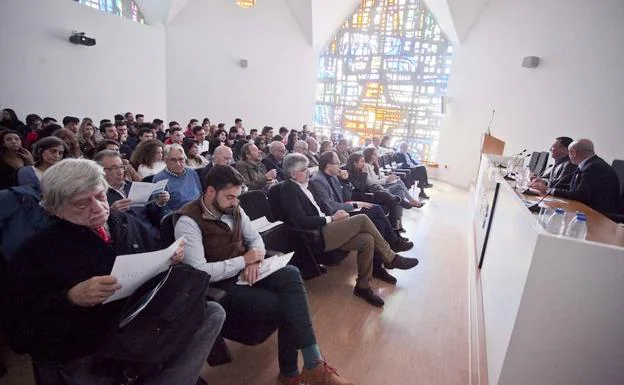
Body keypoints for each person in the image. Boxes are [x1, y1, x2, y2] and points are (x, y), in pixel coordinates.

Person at [5, 158, 224, 385]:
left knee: (213, 312)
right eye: (82, 204)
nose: (98, 209)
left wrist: (169, 259)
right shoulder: (37, 250)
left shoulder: (124, 222)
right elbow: (21, 328)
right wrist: (71, 298)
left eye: (100, 196)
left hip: (140, 320)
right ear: (55, 209)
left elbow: (154, 263)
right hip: (91, 341)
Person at [174, 165, 354, 385]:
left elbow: (256, 239)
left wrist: (255, 257)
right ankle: (296, 371)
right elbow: (199, 271)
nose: (234, 202)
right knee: (288, 305)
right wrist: (244, 260)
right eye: (229, 197)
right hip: (221, 286)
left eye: (237, 196)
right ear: (210, 192)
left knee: (291, 273)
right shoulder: (188, 221)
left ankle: (312, 363)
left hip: (247, 270)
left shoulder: (234, 208)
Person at [280, 153, 419, 307]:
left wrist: (345, 182)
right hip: (319, 233)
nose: (308, 172)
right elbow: (302, 220)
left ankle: (363, 286)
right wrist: (332, 218)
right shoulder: (289, 189)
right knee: (363, 219)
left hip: (327, 225)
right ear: (292, 174)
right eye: (304, 169)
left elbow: (341, 199)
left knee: (367, 239)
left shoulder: (305, 185)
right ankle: (391, 257)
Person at [309, 152, 414, 284]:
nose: (340, 166)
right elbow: (330, 207)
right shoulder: (318, 180)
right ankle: (393, 244)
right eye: (337, 163)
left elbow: (345, 198)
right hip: (336, 217)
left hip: (344, 210)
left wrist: (346, 182)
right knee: (376, 209)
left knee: (379, 223)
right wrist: (355, 204)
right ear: (329, 165)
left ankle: (378, 266)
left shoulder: (335, 177)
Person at [96, 150, 170, 238]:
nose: (120, 172)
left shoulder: (135, 187)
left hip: (151, 236)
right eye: (114, 168)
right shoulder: (97, 195)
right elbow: (98, 227)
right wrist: (112, 213)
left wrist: (159, 203)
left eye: (121, 167)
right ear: (100, 171)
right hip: (126, 241)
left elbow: (150, 213)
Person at [540, 139, 621, 214]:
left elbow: (579, 195)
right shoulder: (588, 164)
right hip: (585, 208)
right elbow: (571, 187)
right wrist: (547, 186)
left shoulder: (594, 167)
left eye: (569, 152)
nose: (568, 156)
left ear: (574, 153)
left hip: (598, 214)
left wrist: (549, 190)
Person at [345, 152, 406, 232]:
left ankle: (395, 228)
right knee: (388, 197)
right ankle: (395, 224)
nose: (364, 164)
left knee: (390, 198)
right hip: (362, 196)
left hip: (369, 192)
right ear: (355, 163)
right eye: (362, 161)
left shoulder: (359, 170)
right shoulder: (349, 173)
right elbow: (361, 188)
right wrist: (364, 173)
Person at [153, 144, 202, 211]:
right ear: (166, 160)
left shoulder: (192, 173)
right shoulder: (159, 178)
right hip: (177, 216)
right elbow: (158, 209)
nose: (178, 164)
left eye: (181, 159)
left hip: (198, 212)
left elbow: (200, 195)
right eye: (173, 160)